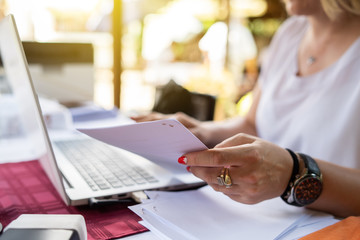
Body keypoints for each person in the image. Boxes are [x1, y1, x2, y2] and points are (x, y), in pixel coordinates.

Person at [132, 0, 360, 218]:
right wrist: (202, 132)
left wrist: (293, 174)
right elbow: (252, 123)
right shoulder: (290, 33)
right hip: (261, 218)